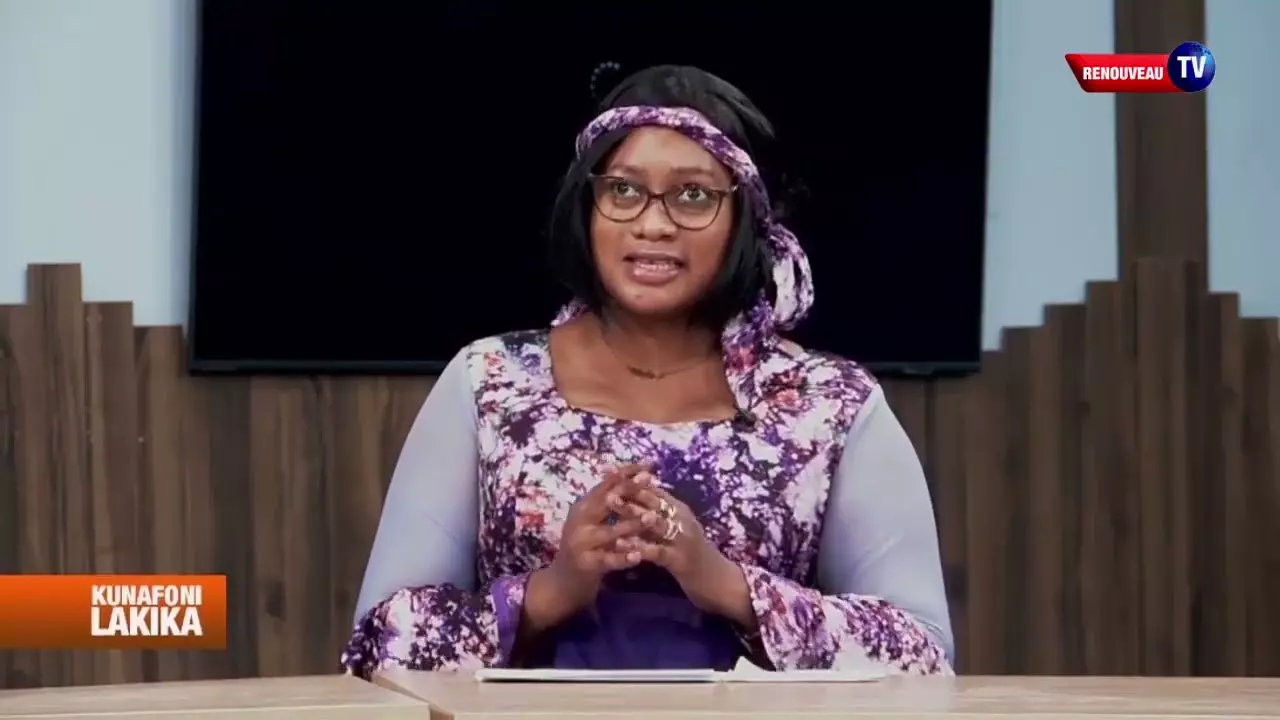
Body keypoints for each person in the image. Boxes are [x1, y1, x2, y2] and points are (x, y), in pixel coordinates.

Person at [340, 65, 954, 679]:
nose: (653, 223)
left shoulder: (829, 403)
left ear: (746, 218)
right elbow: (380, 644)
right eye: (624, 190)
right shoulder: (492, 383)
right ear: (589, 207)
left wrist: (725, 583)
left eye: (694, 195)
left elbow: (922, 657)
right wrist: (551, 590)